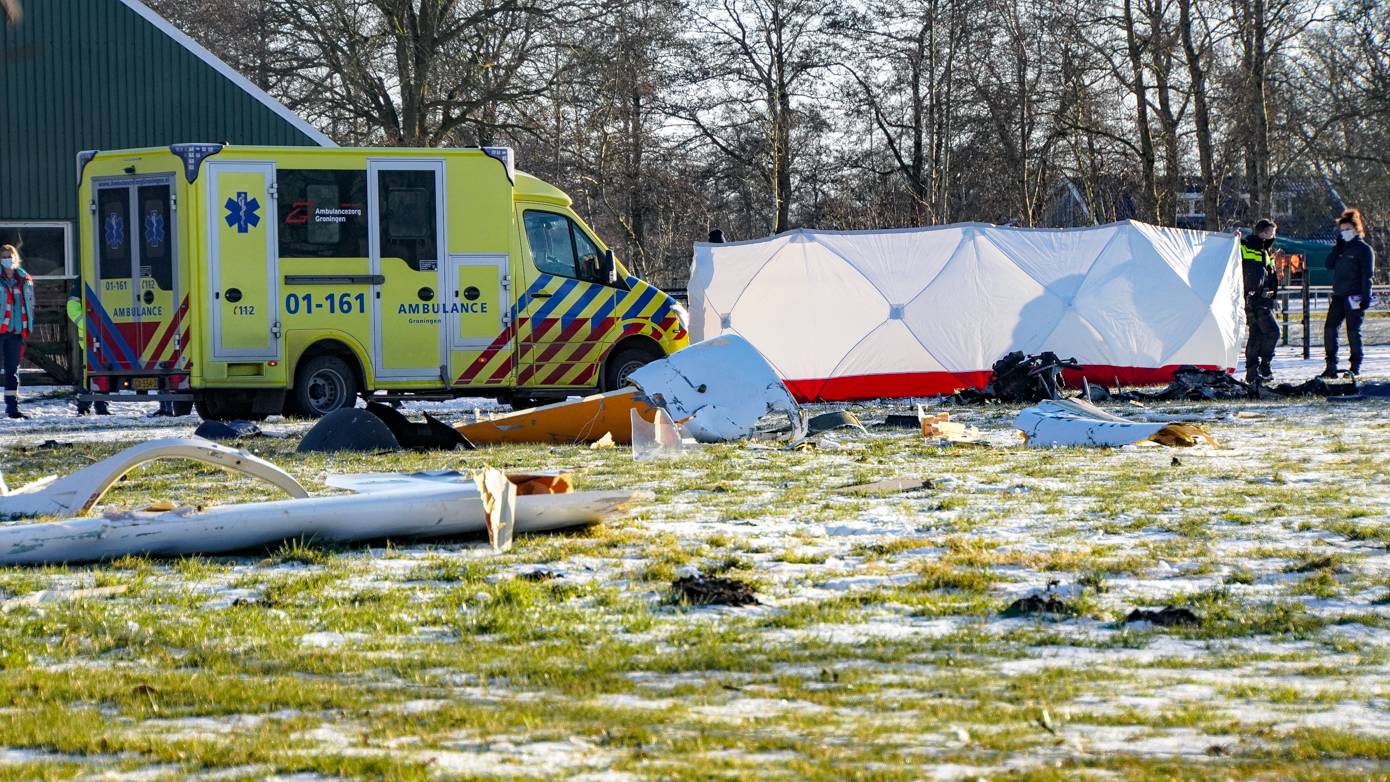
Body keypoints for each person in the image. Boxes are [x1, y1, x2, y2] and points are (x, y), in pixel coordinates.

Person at [1322, 208, 1375, 378]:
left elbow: (1367, 275)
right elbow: (1328, 265)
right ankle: (1331, 366)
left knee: (1353, 331)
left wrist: (1366, 296)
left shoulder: (1364, 249)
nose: (1344, 233)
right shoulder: (1341, 248)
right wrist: (1337, 248)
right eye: (1342, 230)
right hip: (1338, 295)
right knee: (1330, 328)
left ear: (1356, 229)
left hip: (1355, 296)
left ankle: (1355, 365)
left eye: (1347, 229)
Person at [1238, 219, 1279, 383]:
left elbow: (1269, 276)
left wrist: (1274, 297)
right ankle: (1264, 365)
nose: (1274, 236)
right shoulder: (1247, 246)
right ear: (1263, 232)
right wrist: (1235, 239)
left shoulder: (1266, 251)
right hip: (1254, 299)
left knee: (1256, 336)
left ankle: (1253, 373)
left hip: (1265, 299)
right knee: (1272, 332)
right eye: (1272, 232)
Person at [0, 244, 35, 419]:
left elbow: (30, 305)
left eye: (10, 256)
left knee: (12, 371)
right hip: (1, 330)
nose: (7, 259)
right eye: (4, 256)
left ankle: (12, 408)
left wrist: (28, 326)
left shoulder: (25, 279)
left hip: (15, 332)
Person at [66, 282, 109, 415]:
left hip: (107, 335)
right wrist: (84, 322)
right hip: (88, 339)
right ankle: (84, 406)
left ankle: (101, 407)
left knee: (104, 373)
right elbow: (72, 306)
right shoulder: (82, 280)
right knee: (87, 375)